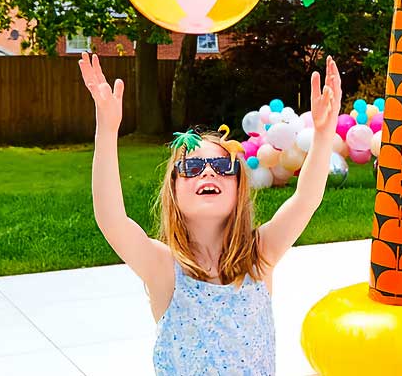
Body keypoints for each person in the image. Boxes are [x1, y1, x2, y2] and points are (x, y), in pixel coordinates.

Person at [78, 52, 342, 375]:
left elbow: (305, 199)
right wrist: (106, 129)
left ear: (239, 187)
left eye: (221, 166)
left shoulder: (259, 257)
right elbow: (111, 219)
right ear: (173, 191)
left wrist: (324, 134)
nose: (208, 173)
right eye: (191, 166)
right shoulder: (165, 269)